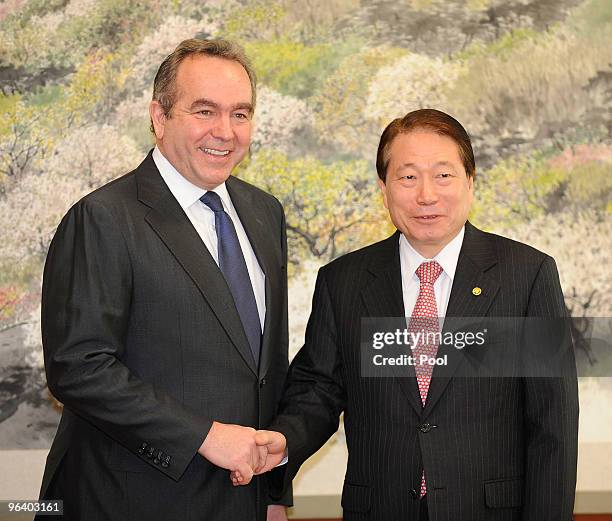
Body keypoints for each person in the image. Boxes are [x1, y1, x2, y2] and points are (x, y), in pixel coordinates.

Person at [246, 109, 579, 520]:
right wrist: (285, 440)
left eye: (443, 175)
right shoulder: (344, 281)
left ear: (470, 182)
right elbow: (319, 390)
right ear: (383, 188)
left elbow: (553, 426)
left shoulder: (527, 276)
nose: (426, 195)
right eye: (407, 177)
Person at [38, 39, 290, 521]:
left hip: (242, 500)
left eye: (241, 114)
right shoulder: (103, 218)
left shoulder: (264, 212)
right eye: (204, 111)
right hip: (129, 500)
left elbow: (266, 366)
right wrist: (206, 437)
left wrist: (275, 493)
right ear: (159, 116)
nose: (225, 131)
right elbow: (79, 366)